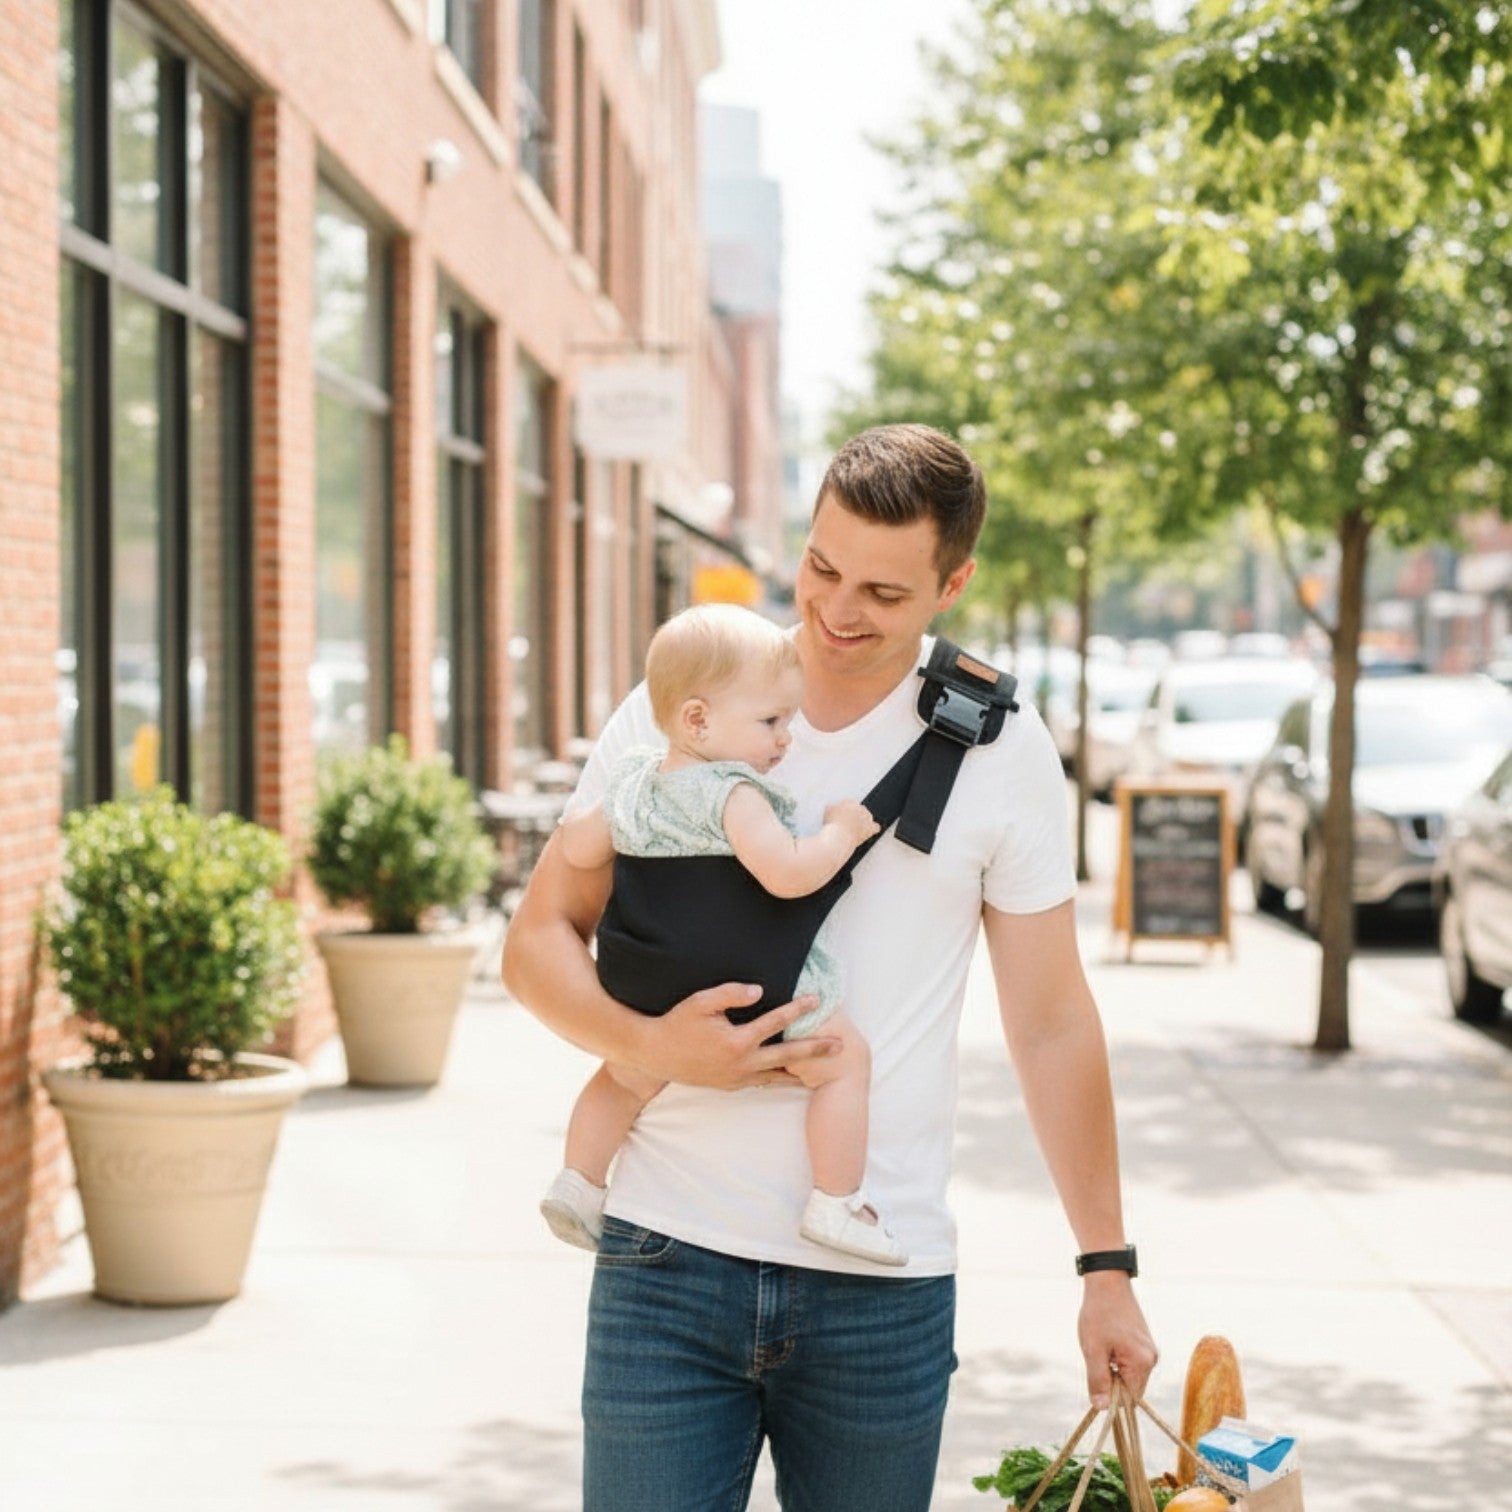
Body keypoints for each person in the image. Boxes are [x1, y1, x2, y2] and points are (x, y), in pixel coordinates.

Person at [502, 423, 1157, 1512]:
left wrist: (1107, 1270)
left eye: (884, 593)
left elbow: (1050, 1024)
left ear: (954, 583)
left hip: (881, 1292)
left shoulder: (1001, 751)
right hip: (665, 1261)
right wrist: (650, 1049)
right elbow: (536, 942)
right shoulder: (692, 702)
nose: (838, 610)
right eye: (821, 567)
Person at [540, 602, 905, 1266]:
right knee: (844, 1061)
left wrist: (619, 820)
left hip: (645, 982)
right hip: (740, 980)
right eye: (770, 720)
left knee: (624, 1078)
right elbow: (790, 875)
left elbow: (577, 847)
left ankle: (580, 1182)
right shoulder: (735, 794)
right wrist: (841, 833)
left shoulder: (631, 781)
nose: (785, 737)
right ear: (698, 720)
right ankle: (835, 1202)